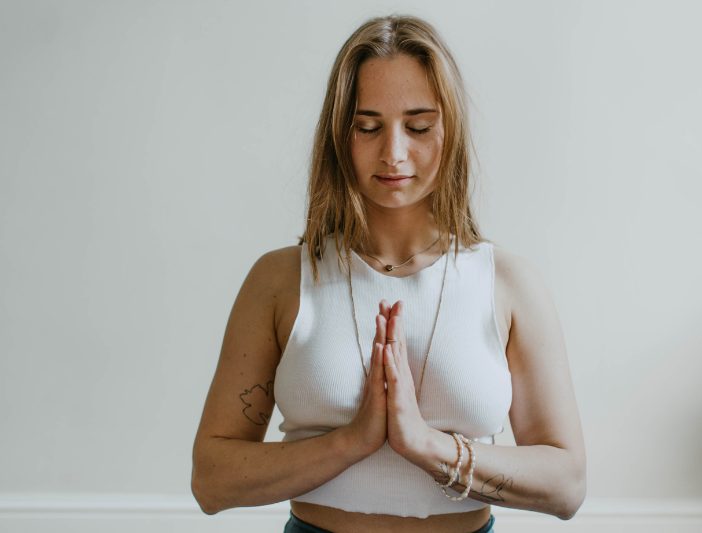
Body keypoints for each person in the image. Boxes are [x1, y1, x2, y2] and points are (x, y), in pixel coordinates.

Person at [191, 13, 586, 533]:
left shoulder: (508, 283)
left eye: (419, 126)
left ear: (451, 129)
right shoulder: (280, 280)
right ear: (340, 134)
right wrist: (351, 441)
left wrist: (424, 444)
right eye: (368, 126)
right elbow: (212, 481)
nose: (394, 153)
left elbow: (567, 485)